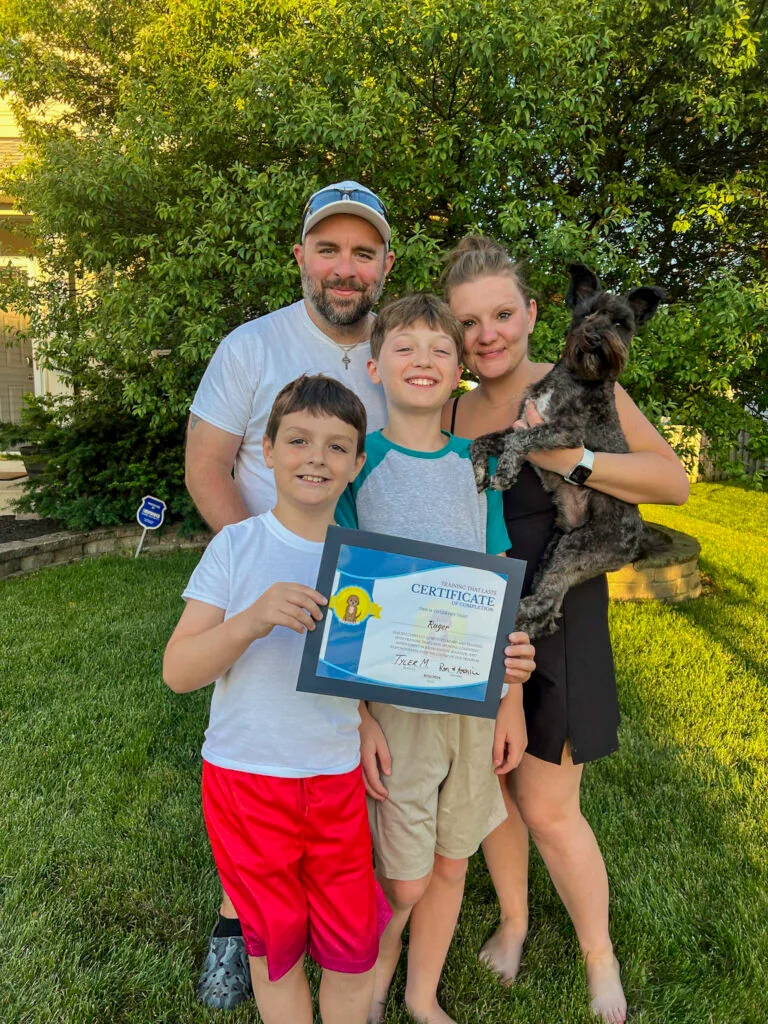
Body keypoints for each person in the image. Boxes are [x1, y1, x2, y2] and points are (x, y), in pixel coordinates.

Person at [440, 236, 690, 1024]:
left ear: (534, 314)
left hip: (558, 610)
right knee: (494, 797)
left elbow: (671, 481)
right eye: (470, 320)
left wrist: (573, 458)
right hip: (477, 615)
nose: (488, 334)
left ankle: (599, 959)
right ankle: (513, 922)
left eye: (502, 314)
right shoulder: (448, 406)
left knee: (548, 805)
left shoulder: (575, 385)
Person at [185, 181, 395, 1008]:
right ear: (302, 256)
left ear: (383, 265)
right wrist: (260, 564)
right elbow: (208, 465)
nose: (346, 269)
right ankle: (238, 924)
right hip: (265, 589)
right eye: (330, 249)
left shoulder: (404, 350)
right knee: (250, 768)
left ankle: (338, 931)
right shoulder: (251, 346)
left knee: (326, 775)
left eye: (363, 252)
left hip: (359, 601)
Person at [164, 375, 392, 1024]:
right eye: (298, 440)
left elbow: (375, 664)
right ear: (266, 450)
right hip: (246, 781)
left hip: (335, 777)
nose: (316, 457)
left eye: (336, 446)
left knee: (352, 951)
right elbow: (179, 671)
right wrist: (252, 619)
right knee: (276, 952)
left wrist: (369, 717)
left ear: (356, 464)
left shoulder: (367, 563)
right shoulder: (235, 547)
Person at [335, 293, 537, 1024]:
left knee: (453, 861)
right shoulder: (359, 467)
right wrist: (360, 717)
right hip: (396, 711)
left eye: (439, 350)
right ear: (374, 365)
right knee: (405, 879)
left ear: (459, 371)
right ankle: (370, 989)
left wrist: (510, 700)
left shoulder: (475, 468)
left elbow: (498, 579)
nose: (423, 360)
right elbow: (344, 600)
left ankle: (421, 996)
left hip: (474, 704)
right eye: (405, 347)